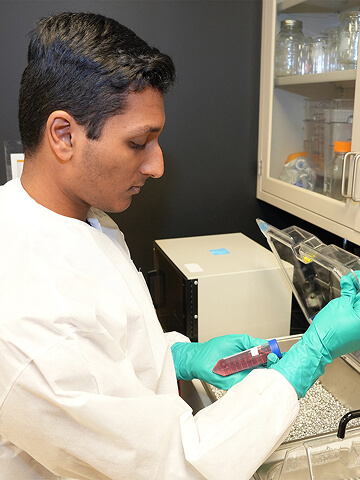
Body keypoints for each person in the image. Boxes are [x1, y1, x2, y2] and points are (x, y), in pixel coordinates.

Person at [0, 11, 360, 480]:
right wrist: (311, 354)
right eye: (138, 143)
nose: (157, 166)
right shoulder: (32, 314)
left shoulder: (67, 217)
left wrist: (181, 356)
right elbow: (177, 463)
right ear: (64, 135)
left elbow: (107, 356)